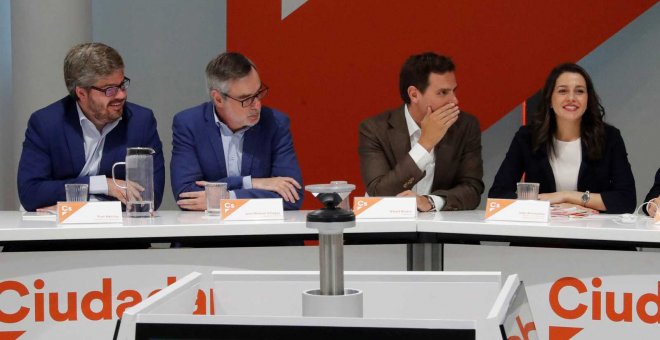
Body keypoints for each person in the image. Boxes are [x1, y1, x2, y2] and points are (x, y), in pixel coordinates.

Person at [17, 42, 165, 212]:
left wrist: (72, 206)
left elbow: (150, 196)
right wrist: (102, 185)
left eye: (122, 85)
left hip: (121, 233)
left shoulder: (140, 121)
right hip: (61, 233)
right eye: (109, 90)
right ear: (81, 93)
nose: (122, 95)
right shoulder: (46, 123)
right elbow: (31, 193)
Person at [488, 63, 635, 214]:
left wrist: (567, 196)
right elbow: (498, 195)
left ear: (588, 100)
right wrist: (551, 208)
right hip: (541, 233)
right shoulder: (527, 137)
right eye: (563, 91)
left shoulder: (609, 137)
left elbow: (626, 200)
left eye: (579, 91)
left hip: (593, 231)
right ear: (550, 99)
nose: (571, 98)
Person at [171, 52, 303, 210]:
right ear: (218, 99)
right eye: (246, 99)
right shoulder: (189, 124)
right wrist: (252, 183)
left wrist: (227, 198)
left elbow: (292, 197)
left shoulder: (275, 123)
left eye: (259, 93)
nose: (257, 105)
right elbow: (187, 196)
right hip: (210, 231)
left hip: (261, 231)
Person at [358, 52, 484, 211]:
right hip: (391, 231)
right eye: (443, 93)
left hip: (442, 231)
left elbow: (472, 190)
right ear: (414, 94)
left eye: (454, 91)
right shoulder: (375, 129)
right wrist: (425, 144)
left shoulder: (465, 126)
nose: (454, 101)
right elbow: (379, 193)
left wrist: (430, 202)